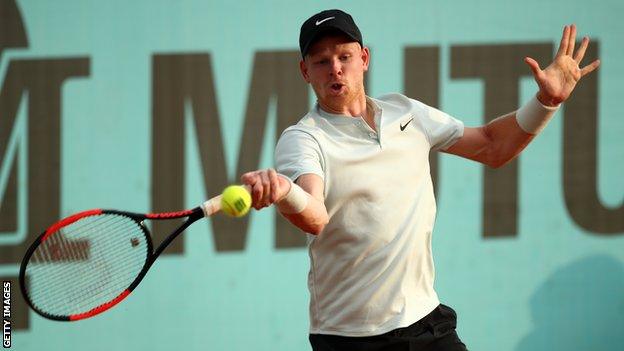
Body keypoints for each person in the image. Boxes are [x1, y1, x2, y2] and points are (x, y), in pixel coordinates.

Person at [240, 9, 600, 351]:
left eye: (344, 57)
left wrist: (546, 100)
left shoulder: (407, 113)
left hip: (427, 325)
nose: (335, 69)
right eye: (321, 61)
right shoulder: (303, 138)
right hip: (349, 338)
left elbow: (493, 147)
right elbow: (315, 216)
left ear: (363, 58)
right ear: (305, 71)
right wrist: (286, 191)